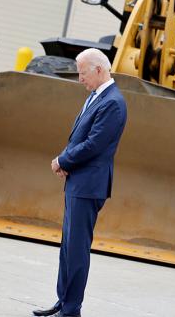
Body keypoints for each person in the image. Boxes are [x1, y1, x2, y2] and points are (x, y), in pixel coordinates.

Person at [33, 48, 127, 317]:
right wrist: (68, 163)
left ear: (98, 70)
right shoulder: (98, 97)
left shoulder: (112, 102)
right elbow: (81, 137)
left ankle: (72, 308)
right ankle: (63, 300)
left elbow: (94, 144)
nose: (80, 79)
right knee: (68, 246)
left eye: (82, 73)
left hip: (89, 185)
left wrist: (63, 160)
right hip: (79, 180)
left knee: (76, 249)